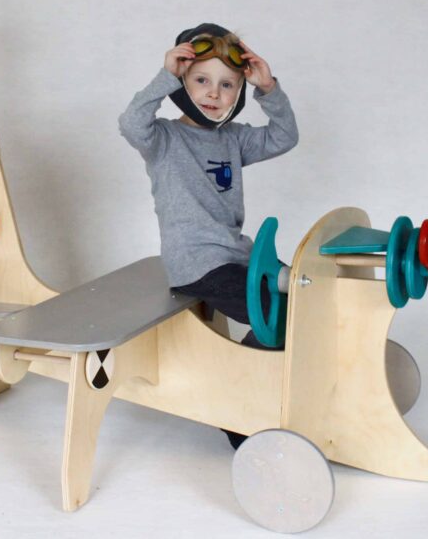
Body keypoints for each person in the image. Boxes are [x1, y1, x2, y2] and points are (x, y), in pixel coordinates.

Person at [119, 23, 298, 446]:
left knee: (305, 298)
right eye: (201, 80)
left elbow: (284, 136)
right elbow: (131, 123)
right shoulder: (163, 138)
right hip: (197, 264)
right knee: (275, 313)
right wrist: (165, 75)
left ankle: (275, 384)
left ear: (238, 92)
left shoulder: (233, 139)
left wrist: (268, 88)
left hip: (239, 256)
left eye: (227, 85)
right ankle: (236, 405)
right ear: (182, 81)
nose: (214, 94)